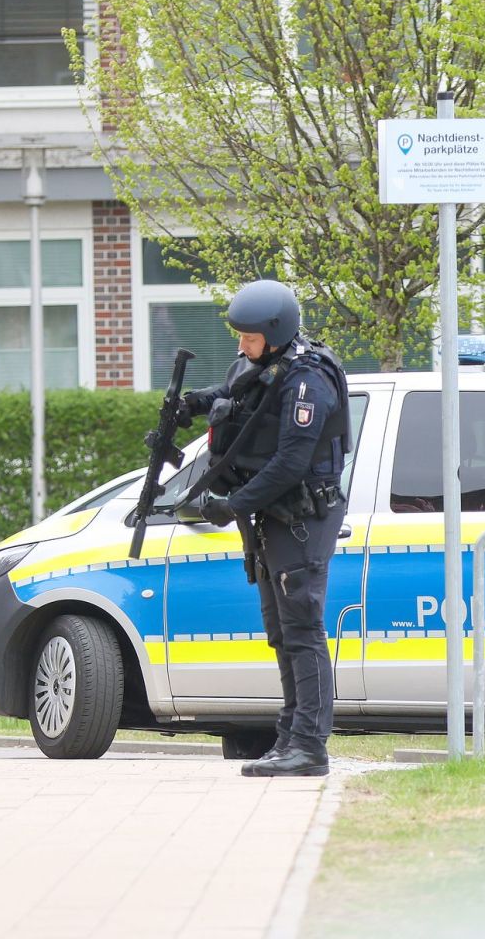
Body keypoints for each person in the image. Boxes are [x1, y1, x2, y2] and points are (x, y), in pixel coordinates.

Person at [177, 280, 351, 778]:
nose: (241, 346)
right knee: (281, 630)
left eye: (248, 337)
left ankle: (309, 747)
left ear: (274, 333)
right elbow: (238, 392)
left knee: (302, 629)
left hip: (301, 517)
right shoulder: (271, 366)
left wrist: (233, 504)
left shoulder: (307, 382)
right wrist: (195, 403)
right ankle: (289, 737)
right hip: (275, 517)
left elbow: (292, 462)